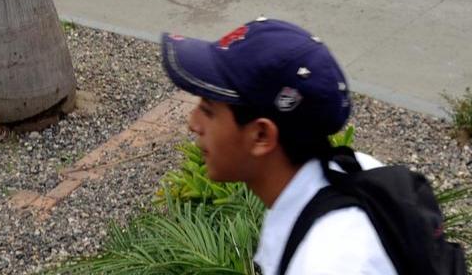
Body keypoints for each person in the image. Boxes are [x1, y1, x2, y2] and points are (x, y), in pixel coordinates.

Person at [160, 17, 396, 275]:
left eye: (208, 110)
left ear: (261, 136)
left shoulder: (325, 262)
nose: (193, 122)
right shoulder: (356, 168)